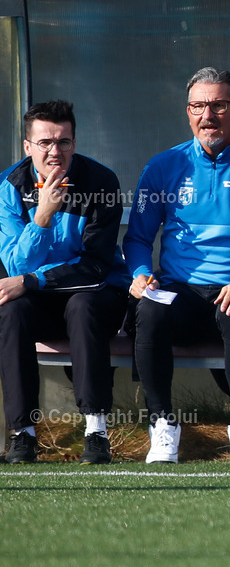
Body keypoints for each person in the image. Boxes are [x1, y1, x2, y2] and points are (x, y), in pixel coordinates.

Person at [124, 67, 230, 464]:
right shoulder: (162, 167)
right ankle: (163, 427)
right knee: (149, 310)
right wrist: (137, 275)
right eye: (199, 105)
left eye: (219, 105)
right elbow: (136, 240)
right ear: (188, 113)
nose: (208, 115)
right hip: (179, 288)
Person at [0, 100, 130, 464]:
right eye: (45, 143)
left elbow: (95, 266)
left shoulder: (101, 182)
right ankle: (23, 435)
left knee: (82, 305)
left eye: (64, 142)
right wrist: (42, 215)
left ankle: (96, 431)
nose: (55, 151)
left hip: (96, 296)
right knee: (11, 312)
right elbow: (14, 262)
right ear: (28, 147)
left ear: (75, 142)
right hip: (39, 298)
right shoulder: (9, 186)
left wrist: (31, 279)